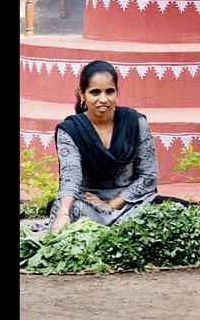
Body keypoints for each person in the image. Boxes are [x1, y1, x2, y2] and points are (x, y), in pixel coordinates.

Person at [49, 60, 164, 234]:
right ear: (82, 94)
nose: (103, 99)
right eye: (95, 92)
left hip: (131, 203)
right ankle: (118, 229)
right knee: (64, 207)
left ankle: (108, 229)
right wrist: (63, 213)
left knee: (176, 209)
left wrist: (112, 204)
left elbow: (149, 176)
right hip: (89, 205)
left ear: (117, 92)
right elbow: (70, 178)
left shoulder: (136, 122)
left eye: (109, 91)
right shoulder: (70, 131)